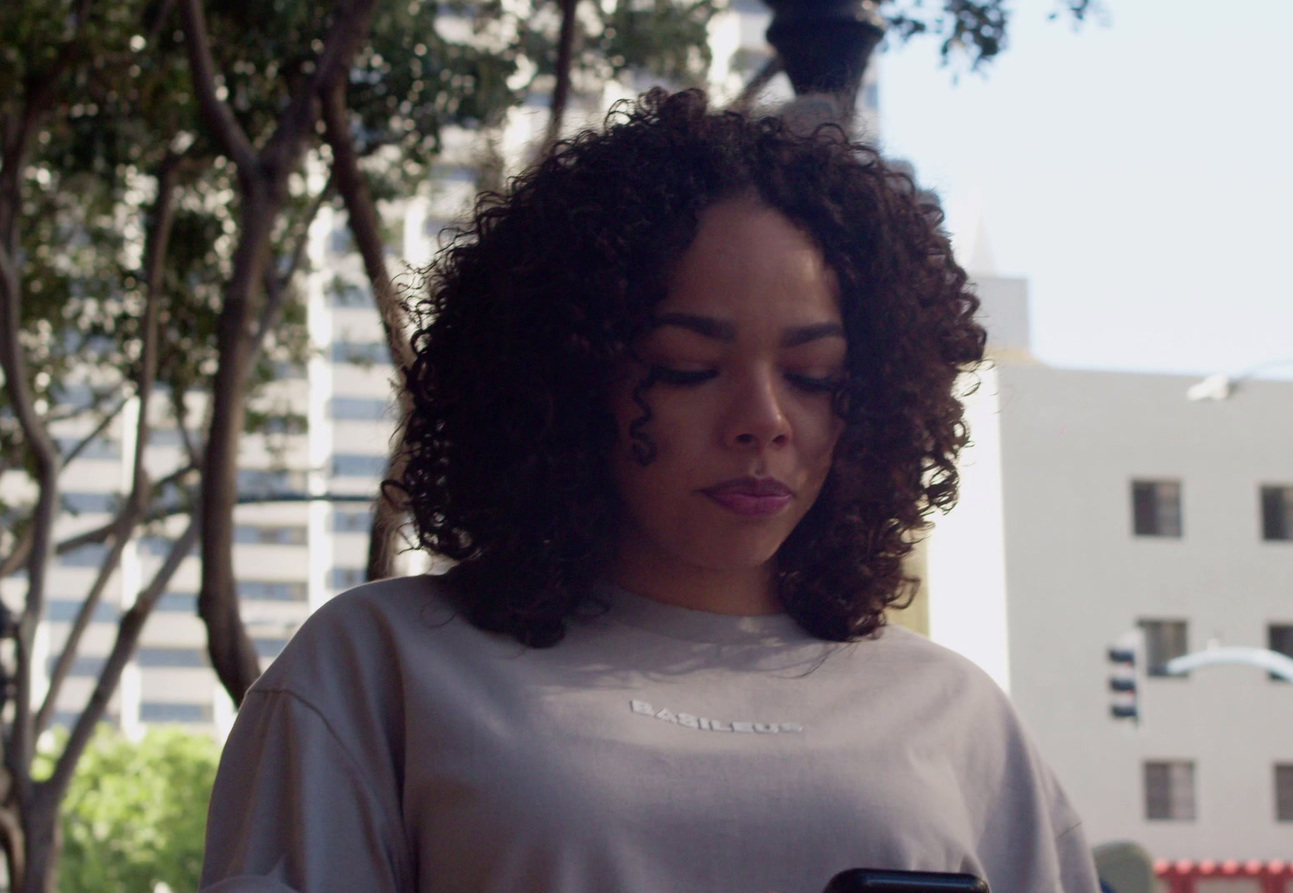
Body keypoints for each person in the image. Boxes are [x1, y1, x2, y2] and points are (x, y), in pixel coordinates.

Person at [200, 88, 1097, 893]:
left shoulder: (963, 721)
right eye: (687, 367)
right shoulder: (377, 671)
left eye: (817, 374)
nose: (762, 419)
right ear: (566, 370)